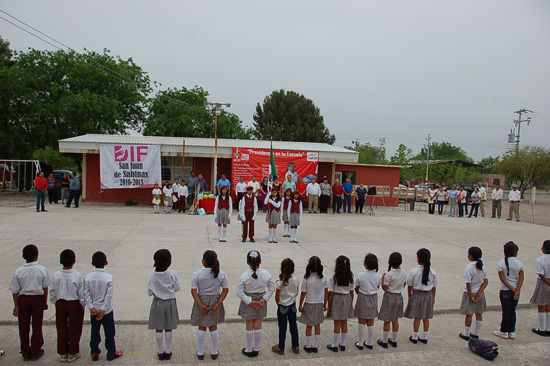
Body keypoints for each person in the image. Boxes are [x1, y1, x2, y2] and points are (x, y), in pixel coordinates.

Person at [9, 244, 51, 361]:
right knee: (37, 325)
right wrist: (44, 301)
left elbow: (15, 291)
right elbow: (45, 287)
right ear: (37, 256)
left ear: (23, 256)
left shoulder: (19, 271)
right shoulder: (41, 269)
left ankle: (25, 351)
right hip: (37, 298)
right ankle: (36, 350)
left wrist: (16, 305)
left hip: (23, 300)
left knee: (23, 326)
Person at [84, 251, 123, 361]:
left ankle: (94, 352)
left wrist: (91, 307)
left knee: (95, 331)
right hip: (106, 311)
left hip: (94, 310)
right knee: (109, 332)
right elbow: (108, 296)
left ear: (92, 263)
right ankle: (111, 352)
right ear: (106, 262)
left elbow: (86, 293)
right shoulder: (108, 277)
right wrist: (103, 309)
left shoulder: (88, 277)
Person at [190, 250, 229, 361]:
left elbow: (193, 291)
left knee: (202, 327)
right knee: (213, 326)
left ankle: (201, 352)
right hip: (215, 299)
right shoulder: (221, 274)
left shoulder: (197, 274)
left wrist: (200, 304)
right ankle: (213, 351)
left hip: (201, 299)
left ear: (204, 261)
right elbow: (225, 290)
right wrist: (218, 303)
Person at [236, 250, 276, 357]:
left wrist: (249, 301)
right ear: (261, 261)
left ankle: (249, 349)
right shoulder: (266, 274)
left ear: (247, 262)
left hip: (249, 301)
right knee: (258, 324)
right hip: (260, 300)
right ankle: (256, 348)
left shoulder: (244, 276)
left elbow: (239, 292)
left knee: (249, 325)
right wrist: (264, 299)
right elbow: (272, 287)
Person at [50, 249, 85, 363]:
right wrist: (82, 304)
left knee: (61, 328)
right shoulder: (78, 276)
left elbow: (52, 291)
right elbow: (81, 293)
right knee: (74, 328)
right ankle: (73, 352)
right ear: (74, 261)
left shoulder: (56, 275)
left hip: (60, 303)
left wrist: (55, 301)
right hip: (74, 303)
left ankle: (63, 352)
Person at [148, 249, 180, 361]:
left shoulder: (153, 275)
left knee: (159, 327)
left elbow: (150, 291)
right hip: (170, 302)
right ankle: (168, 350)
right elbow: (177, 287)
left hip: (158, 302)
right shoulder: (172, 274)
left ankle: (160, 351)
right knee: (168, 327)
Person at [404, 248, 437, 344]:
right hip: (428, 295)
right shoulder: (432, 272)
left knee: (417, 317)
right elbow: (434, 287)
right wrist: (433, 297)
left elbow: (409, 285)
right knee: (426, 317)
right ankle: (424, 336)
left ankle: (415, 336)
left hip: (417, 294)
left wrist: (410, 296)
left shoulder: (414, 271)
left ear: (418, 258)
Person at [494, 241, 524, 340]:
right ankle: (511, 331)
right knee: (512, 310)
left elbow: (502, 278)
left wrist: (511, 288)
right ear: (515, 252)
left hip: (505, 290)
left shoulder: (501, 263)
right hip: (516, 291)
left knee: (506, 311)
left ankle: (503, 331)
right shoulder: (519, 263)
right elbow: (521, 278)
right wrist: (517, 290)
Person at [377, 252, 407, 349]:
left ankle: (385, 341)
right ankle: (394, 340)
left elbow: (385, 288)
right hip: (398, 296)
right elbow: (404, 284)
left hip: (389, 296)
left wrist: (382, 279)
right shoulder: (404, 273)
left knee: (387, 320)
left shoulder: (389, 275)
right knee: (395, 319)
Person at [458, 247, 488, 341]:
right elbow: (486, 282)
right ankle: (476, 333)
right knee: (479, 313)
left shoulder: (469, 268)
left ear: (470, 256)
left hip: (470, 293)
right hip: (480, 293)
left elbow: (468, 283)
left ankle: (466, 334)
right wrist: (479, 292)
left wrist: (471, 295)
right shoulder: (483, 267)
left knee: (469, 314)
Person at [299, 256, 328, 353]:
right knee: (317, 325)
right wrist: (325, 303)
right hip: (319, 303)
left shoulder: (307, 278)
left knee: (309, 325)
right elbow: (326, 291)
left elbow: (303, 293)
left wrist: (300, 304)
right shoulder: (323, 278)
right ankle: (315, 345)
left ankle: (308, 345)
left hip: (310, 303)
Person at [271, 258, 300, 356]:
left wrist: (279, 303)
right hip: (292, 304)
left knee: (282, 328)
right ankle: (295, 345)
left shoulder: (280, 282)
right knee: (293, 326)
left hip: (282, 305)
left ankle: (281, 347)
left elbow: (277, 296)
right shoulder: (295, 280)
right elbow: (297, 291)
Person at [326, 255, 354, 352]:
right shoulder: (350, 276)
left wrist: (329, 305)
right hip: (346, 298)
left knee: (337, 322)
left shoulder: (334, 277)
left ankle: (334, 344)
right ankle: (343, 344)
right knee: (344, 322)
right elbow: (352, 291)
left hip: (337, 298)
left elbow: (331, 293)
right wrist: (351, 302)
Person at [354, 254, 380, 350]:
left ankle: (360, 342)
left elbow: (356, 287)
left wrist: (360, 293)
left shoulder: (361, 275)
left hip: (362, 296)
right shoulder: (378, 276)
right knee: (371, 321)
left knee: (361, 321)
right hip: (373, 297)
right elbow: (377, 287)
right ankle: (369, 342)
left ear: (365, 264)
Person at [529, 240, 550, 336]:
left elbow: (541, 274)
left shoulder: (540, 259)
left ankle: (542, 329)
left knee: (541, 305)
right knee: (548, 306)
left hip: (544, 282)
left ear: (543, 249)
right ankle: (548, 328)